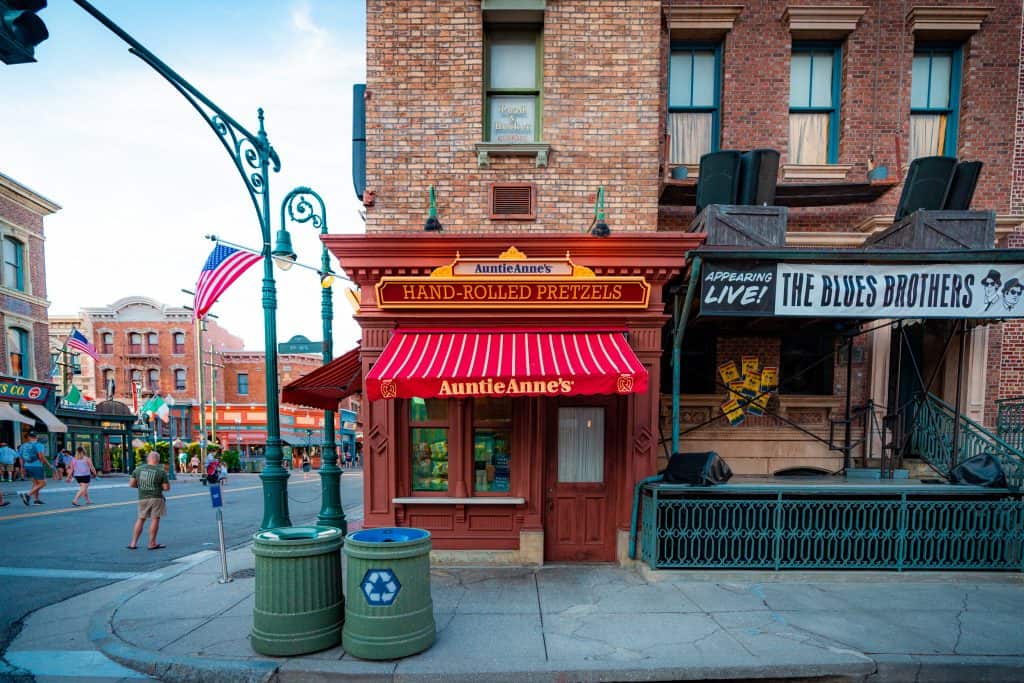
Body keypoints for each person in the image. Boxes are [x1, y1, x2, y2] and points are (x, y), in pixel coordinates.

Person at [128, 451, 169, 550]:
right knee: (155, 519)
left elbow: (132, 484)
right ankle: (152, 543)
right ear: (158, 460)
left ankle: (133, 543)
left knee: (141, 519)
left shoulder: (138, 470)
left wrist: (142, 487)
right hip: (156, 497)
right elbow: (166, 488)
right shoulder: (161, 472)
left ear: (148, 459)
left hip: (143, 497)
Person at [18, 432, 50, 506]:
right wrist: (48, 464)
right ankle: (27, 495)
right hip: (36, 466)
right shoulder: (39, 445)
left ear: (29, 437)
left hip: (27, 466)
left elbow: (20, 458)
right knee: (43, 483)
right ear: (37, 437)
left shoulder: (23, 445)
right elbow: (41, 456)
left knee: (36, 483)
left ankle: (36, 500)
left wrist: (22, 467)